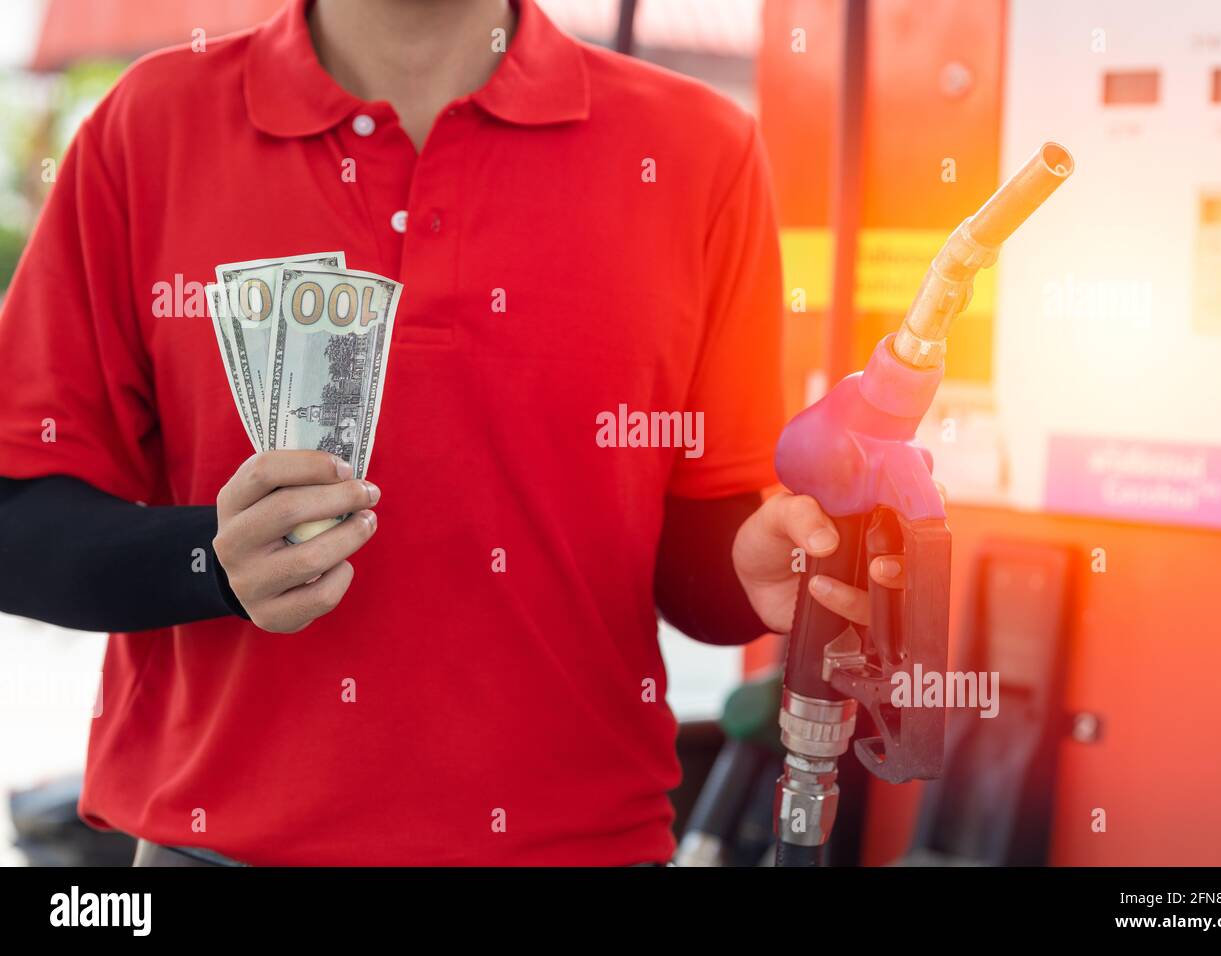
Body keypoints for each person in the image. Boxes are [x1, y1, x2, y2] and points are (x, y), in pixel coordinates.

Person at [0, 0, 902, 866]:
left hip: (582, 851)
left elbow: (698, 550)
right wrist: (211, 560)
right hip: (214, 851)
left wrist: (752, 562)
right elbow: (17, 525)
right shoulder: (149, 129)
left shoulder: (697, 149)